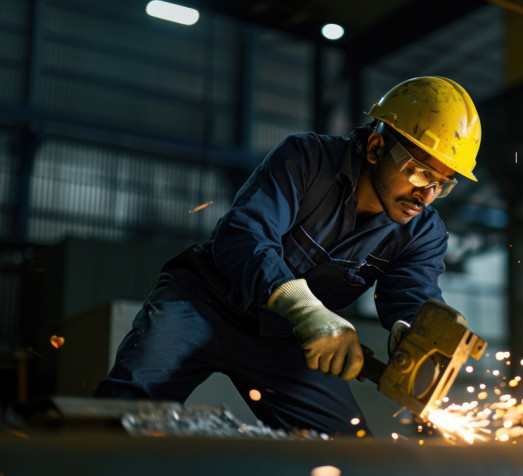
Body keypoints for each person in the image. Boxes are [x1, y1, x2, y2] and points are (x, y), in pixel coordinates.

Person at [93, 76, 482, 437]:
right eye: (418, 173)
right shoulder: (307, 159)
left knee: (346, 447)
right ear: (377, 148)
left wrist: (415, 329)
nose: (426, 195)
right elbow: (245, 236)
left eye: (441, 184)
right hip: (201, 303)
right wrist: (308, 310)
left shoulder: (424, 231)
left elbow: (410, 294)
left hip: (287, 338)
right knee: (125, 412)